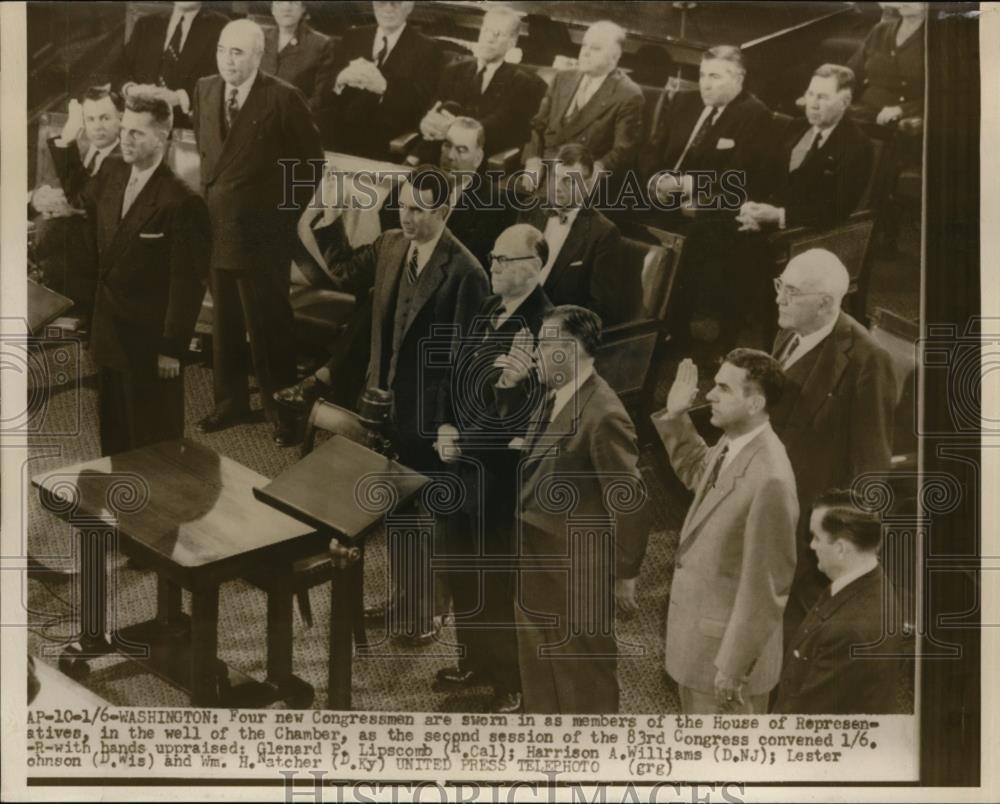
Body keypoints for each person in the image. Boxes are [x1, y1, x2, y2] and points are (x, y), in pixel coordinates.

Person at [329, 166, 490, 641]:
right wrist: (328, 222)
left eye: (419, 209)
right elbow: (343, 276)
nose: (408, 216)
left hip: (431, 417)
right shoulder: (391, 245)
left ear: (443, 211)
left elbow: (465, 363)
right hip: (385, 406)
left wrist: (448, 426)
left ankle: (430, 613)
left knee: (430, 516)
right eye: (404, 205)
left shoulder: (466, 272)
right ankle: (404, 598)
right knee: (396, 509)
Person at [494, 304, 647, 714]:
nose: (536, 353)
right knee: (540, 671)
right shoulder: (556, 394)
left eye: (544, 344)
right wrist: (510, 385)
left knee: (583, 680)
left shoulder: (604, 413)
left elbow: (629, 500)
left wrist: (625, 573)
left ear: (573, 349)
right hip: (537, 562)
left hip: (575, 575)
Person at [432, 223, 554, 714]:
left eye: (504, 260)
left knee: (498, 579)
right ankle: (475, 659)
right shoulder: (488, 308)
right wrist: (444, 424)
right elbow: (453, 371)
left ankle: (511, 679)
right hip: (460, 465)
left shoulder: (546, 326)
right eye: (493, 257)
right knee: (462, 567)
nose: (494, 267)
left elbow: (528, 418)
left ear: (535, 267)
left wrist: (464, 439)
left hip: (500, 476)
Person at [190, 19, 324, 447]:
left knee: (268, 327)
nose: (228, 61)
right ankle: (230, 403)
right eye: (222, 50)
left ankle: (282, 410)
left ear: (259, 56)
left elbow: (310, 165)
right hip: (217, 227)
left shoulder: (282, 98)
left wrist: (280, 220)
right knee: (225, 324)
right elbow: (207, 154)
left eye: (238, 53)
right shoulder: (204, 88)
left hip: (262, 235)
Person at [652, 351, 798, 714]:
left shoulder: (771, 479)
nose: (709, 395)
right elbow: (699, 474)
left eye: (723, 388)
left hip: (726, 665)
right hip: (701, 648)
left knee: (725, 764)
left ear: (755, 403)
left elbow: (767, 587)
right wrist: (676, 416)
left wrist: (734, 668)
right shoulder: (736, 443)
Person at [769, 249, 896, 640]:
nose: (779, 299)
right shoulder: (788, 329)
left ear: (824, 303)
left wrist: (844, 541)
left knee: (793, 625)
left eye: (790, 291)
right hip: (769, 491)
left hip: (811, 518)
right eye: (779, 286)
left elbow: (871, 463)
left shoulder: (868, 361)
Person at [75, 92, 210, 456]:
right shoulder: (111, 170)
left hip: (149, 344)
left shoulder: (181, 200)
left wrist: (171, 349)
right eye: (125, 130)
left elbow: (187, 284)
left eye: (137, 133)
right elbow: (81, 206)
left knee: (152, 444)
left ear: (163, 136)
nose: (125, 140)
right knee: (113, 436)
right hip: (108, 330)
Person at [773, 491, 911, 714]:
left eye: (816, 538)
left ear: (840, 548)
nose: (811, 546)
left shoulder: (850, 630)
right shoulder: (866, 582)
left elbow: (806, 721)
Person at [640, 45, 773, 215]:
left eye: (714, 77)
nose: (705, 84)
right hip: (656, 193)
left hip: (699, 202)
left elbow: (738, 175)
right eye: (702, 75)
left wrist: (683, 185)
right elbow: (652, 149)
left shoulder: (755, 114)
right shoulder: (684, 100)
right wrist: (656, 181)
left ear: (738, 79)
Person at [408, 6, 546, 161]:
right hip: (438, 150)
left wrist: (452, 128)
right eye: (486, 31)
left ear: (512, 43)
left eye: (498, 34)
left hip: (481, 160)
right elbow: (435, 108)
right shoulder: (454, 70)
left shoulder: (522, 82)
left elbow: (500, 122)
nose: (489, 38)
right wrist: (427, 122)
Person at [520, 21, 644, 193]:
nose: (585, 53)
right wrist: (533, 158)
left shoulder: (628, 94)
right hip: (544, 166)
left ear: (615, 57)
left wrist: (594, 172)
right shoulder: (562, 78)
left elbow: (622, 151)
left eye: (595, 48)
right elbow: (538, 125)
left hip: (581, 176)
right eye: (584, 45)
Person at [518, 144, 634, 326]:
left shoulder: (603, 233)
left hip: (556, 331)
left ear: (587, 186)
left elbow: (599, 309)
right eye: (555, 177)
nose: (557, 187)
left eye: (568, 181)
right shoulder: (531, 209)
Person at [33, 87, 123, 314]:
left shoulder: (124, 156)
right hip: (59, 254)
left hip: (94, 260)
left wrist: (71, 209)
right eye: (90, 119)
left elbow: (88, 202)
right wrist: (41, 198)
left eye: (105, 118)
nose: (97, 126)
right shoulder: (83, 151)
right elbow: (52, 187)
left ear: (120, 118)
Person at [317, 1, 442, 159]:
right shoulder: (353, 36)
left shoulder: (428, 49)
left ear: (410, 6)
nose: (388, 8)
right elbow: (324, 94)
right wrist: (340, 80)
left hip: (387, 140)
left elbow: (421, 106)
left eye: (396, 2)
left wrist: (385, 88)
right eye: (382, 1)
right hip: (340, 132)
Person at [115, 1, 229, 129]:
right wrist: (132, 89)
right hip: (138, 122)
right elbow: (118, 70)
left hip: (186, 125)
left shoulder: (221, 27)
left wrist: (180, 98)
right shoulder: (146, 24)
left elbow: (224, 80)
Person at [848, 2, 925, 128]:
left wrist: (903, 110)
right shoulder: (880, 29)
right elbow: (851, 72)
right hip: (862, 111)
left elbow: (945, 95)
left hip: (901, 122)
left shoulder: (939, 38)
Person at [261, 0, 337, 114]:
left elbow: (320, 98)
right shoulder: (259, 38)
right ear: (272, 9)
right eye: (279, 2)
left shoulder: (321, 44)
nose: (286, 7)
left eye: (293, 2)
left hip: (293, 121)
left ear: (303, 8)